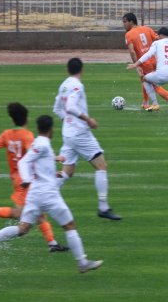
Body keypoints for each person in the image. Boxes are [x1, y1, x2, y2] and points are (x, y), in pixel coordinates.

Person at [0, 115, 103, 274]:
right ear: (50, 129)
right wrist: (27, 179)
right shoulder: (43, 144)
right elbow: (23, 162)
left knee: (23, 229)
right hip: (48, 194)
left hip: (35, 194)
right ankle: (82, 262)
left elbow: (36, 161)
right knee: (69, 225)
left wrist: (54, 161)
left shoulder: (39, 143)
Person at [0, 103, 69, 253]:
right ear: (26, 118)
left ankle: (52, 243)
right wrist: (55, 159)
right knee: (22, 219)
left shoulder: (6, 134)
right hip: (26, 179)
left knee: (37, 214)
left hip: (17, 178)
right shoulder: (27, 135)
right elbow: (34, 154)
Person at [53, 57, 122, 221]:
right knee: (101, 166)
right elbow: (70, 107)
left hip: (68, 133)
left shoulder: (63, 85)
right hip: (79, 133)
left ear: (67, 70)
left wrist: (67, 121)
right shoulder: (77, 85)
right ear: (81, 70)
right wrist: (87, 119)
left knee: (67, 172)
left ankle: (41, 196)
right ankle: (103, 207)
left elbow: (57, 109)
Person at [122, 12, 168, 113]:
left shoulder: (128, 35)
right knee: (144, 80)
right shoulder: (147, 29)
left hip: (144, 63)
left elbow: (132, 51)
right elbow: (160, 39)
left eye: (125, 22)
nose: (123, 24)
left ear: (131, 22)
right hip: (155, 60)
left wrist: (136, 65)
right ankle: (145, 102)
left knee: (154, 85)